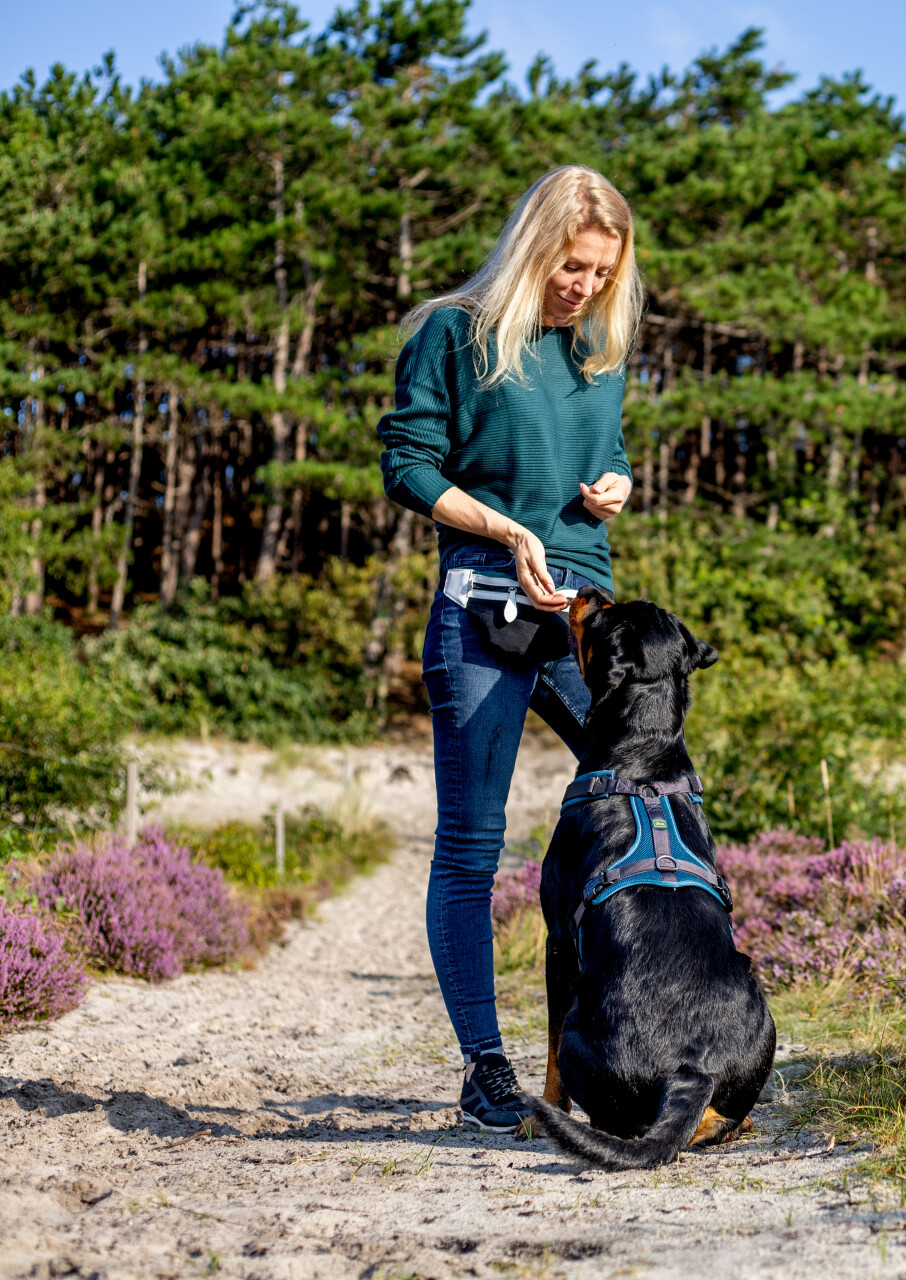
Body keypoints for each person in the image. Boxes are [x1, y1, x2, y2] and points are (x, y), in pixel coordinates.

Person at [377, 164, 640, 1132]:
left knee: (655, 797)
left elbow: (598, 457)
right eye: (573, 266)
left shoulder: (596, 354)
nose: (585, 287)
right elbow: (409, 462)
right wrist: (503, 529)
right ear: (536, 246)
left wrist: (615, 482)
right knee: (472, 847)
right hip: (481, 607)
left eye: (603, 274)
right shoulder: (455, 332)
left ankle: (628, 1031)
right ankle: (486, 1067)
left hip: (583, 613)